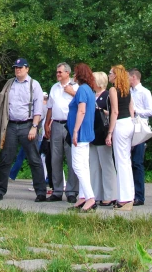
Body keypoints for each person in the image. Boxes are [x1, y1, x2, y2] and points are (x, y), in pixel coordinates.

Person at [0, 57, 46, 202]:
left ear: (27, 69)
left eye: (20, 67)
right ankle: (0, 191)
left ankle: (40, 192)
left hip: (28, 125)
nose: (18, 70)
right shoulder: (10, 84)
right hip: (10, 125)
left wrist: (34, 127)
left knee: (34, 159)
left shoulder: (34, 85)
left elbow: (38, 108)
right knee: (5, 159)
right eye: (16, 67)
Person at [44, 62, 78, 203]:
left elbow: (83, 103)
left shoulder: (76, 86)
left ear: (67, 73)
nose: (58, 74)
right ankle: (57, 190)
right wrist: (47, 123)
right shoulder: (54, 87)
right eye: (57, 72)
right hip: (56, 124)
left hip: (70, 125)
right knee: (55, 158)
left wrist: (72, 93)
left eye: (60, 72)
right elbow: (50, 107)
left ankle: (72, 191)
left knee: (71, 159)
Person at [66, 63, 96, 212]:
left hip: (81, 133)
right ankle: (83, 197)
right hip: (85, 133)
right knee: (84, 165)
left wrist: (76, 131)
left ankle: (90, 197)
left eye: (75, 73)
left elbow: (81, 111)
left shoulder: (82, 90)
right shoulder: (89, 90)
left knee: (78, 165)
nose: (73, 76)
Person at [106, 64, 135, 211]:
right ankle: (128, 195)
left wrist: (110, 132)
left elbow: (115, 112)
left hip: (120, 125)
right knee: (126, 161)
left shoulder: (112, 90)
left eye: (110, 73)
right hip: (129, 123)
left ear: (115, 75)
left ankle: (125, 199)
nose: (109, 75)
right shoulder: (127, 90)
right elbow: (131, 110)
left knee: (121, 161)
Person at [128, 69, 152, 206]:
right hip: (129, 127)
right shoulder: (129, 92)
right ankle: (129, 193)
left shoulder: (145, 92)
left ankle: (139, 195)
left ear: (134, 77)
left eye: (128, 77)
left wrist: (136, 111)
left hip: (140, 128)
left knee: (137, 162)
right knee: (128, 162)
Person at [89, 71, 117, 206]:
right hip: (92, 133)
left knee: (106, 165)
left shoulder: (107, 95)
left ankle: (110, 195)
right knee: (93, 165)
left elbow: (112, 112)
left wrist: (101, 110)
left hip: (102, 132)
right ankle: (95, 194)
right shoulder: (92, 95)